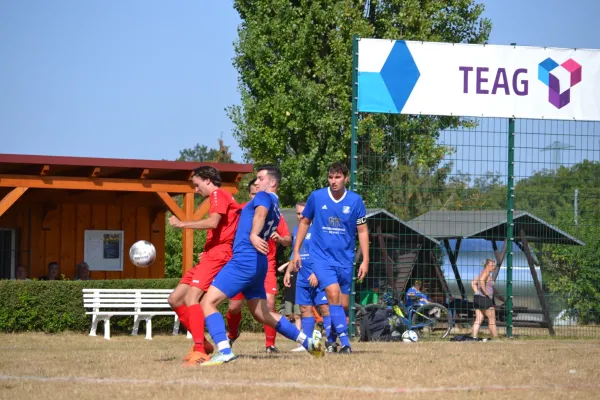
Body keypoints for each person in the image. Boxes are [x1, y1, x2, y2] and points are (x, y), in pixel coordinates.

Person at [200, 165, 324, 366]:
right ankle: (309, 343)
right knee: (262, 314)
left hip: (244, 259)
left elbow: (259, 214)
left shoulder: (264, 198)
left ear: (272, 183)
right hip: (259, 263)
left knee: (208, 302)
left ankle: (224, 350)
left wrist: (253, 234)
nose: (256, 182)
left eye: (260, 178)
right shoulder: (277, 206)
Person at [291, 162, 369, 354]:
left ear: (346, 178)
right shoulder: (317, 197)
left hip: (344, 258)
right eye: (331, 177)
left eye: (338, 177)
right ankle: (346, 343)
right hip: (321, 258)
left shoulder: (355, 200)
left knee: (342, 305)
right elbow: (304, 223)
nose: (333, 181)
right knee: (332, 293)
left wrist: (365, 260)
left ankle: (331, 339)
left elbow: (362, 230)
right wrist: (296, 250)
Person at [166, 166, 241, 366]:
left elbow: (213, 222)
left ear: (208, 180)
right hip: (211, 253)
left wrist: (183, 224)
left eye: (197, 185)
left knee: (192, 297)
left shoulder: (218, 194)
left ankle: (200, 350)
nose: (196, 190)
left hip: (218, 254)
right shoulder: (221, 197)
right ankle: (205, 345)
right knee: (175, 299)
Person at [226, 177, 292, 353]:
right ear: (250, 194)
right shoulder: (242, 211)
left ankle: (270, 344)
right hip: (242, 263)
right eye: (254, 193)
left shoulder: (274, 211)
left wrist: (281, 238)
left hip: (265, 264)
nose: (259, 197)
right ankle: (232, 334)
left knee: (269, 304)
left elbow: (288, 239)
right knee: (234, 307)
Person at [284, 201, 332, 351]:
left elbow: (325, 254)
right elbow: (295, 254)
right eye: (298, 213)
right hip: (301, 277)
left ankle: (331, 341)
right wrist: (288, 272)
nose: (300, 216)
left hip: (317, 276)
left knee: (325, 309)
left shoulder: (319, 230)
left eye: (303, 213)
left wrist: (316, 273)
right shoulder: (298, 230)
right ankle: (308, 343)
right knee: (305, 309)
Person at [471, 258, 498, 339]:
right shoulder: (486, 273)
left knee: (478, 319)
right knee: (492, 320)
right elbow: (482, 280)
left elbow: (473, 282)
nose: (493, 267)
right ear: (486, 265)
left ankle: (474, 337)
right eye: (492, 265)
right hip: (484, 299)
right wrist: (486, 293)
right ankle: (496, 338)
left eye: (494, 265)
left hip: (477, 298)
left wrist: (477, 293)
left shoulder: (481, 273)